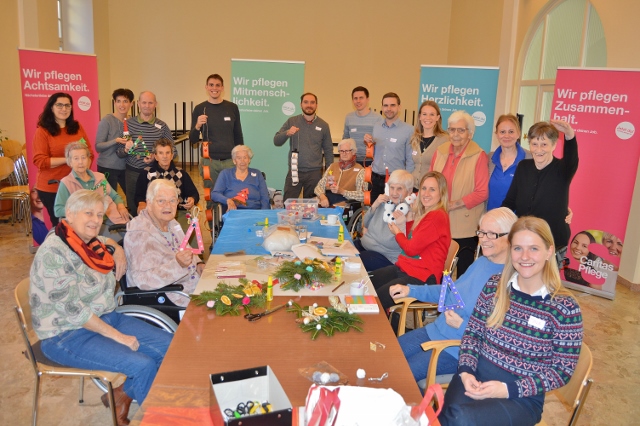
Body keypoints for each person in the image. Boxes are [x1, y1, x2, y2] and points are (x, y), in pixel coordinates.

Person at [29, 189, 172, 425]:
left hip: (104, 317)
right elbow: (75, 311)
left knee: (170, 347)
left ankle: (122, 395)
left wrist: (118, 249)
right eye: (88, 213)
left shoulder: (88, 242)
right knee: (143, 365)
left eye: (99, 214)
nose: (96, 220)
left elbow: (105, 241)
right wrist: (119, 337)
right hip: (66, 334)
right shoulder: (53, 253)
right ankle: (159, 420)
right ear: (69, 214)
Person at [439, 216, 583, 426]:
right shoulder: (494, 286)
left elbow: (562, 370)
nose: (525, 256)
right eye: (518, 248)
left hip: (521, 397)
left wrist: (507, 389)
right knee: (448, 417)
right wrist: (466, 371)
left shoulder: (564, 308)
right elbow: (473, 334)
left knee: (461, 419)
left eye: (534, 248)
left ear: (549, 251)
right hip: (476, 375)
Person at [382, 208, 518, 377]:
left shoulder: (512, 281)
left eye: (491, 234)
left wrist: (461, 326)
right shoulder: (481, 262)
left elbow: (501, 340)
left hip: (458, 349)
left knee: (398, 375)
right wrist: (411, 290)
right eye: (481, 232)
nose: (483, 239)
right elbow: (449, 292)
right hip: (436, 330)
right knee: (385, 355)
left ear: (511, 237)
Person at [502, 120, 578, 265]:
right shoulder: (523, 167)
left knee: (547, 279)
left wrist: (569, 134)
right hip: (524, 238)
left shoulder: (563, 169)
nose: (538, 149)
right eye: (534, 144)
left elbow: (572, 157)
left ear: (554, 145)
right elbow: (510, 201)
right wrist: (497, 220)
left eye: (544, 144)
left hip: (552, 241)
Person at [125, 179, 204, 307]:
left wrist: (199, 263)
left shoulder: (171, 223)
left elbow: (187, 249)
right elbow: (143, 280)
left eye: (172, 200)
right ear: (149, 203)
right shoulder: (140, 233)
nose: (168, 206)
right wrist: (177, 265)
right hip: (170, 297)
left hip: (192, 285)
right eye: (161, 201)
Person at [369, 171, 451, 292]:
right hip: (407, 268)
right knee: (367, 283)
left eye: (432, 190)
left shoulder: (436, 216)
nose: (426, 194)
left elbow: (410, 249)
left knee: (377, 296)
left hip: (423, 277)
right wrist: (409, 219)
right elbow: (412, 240)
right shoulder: (428, 213)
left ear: (441, 193)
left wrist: (397, 233)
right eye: (424, 188)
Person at [431, 110, 489, 277]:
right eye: (452, 129)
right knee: (438, 272)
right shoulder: (440, 151)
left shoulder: (479, 155)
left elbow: (482, 192)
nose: (455, 134)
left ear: (470, 133)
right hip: (439, 222)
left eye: (461, 130)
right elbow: (429, 181)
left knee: (463, 275)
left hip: (465, 226)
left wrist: (452, 204)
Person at [32, 92, 91, 226]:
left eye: (67, 105)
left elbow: (89, 153)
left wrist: (83, 167)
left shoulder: (77, 127)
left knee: (80, 224)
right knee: (62, 226)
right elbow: (40, 161)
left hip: (77, 185)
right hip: (52, 187)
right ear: (51, 107)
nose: (64, 109)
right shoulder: (42, 131)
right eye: (59, 105)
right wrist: (69, 159)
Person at [189, 74, 244, 213]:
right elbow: (193, 139)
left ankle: (229, 224)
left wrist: (240, 157)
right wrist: (197, 125)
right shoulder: (200, 109)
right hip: (210, 162)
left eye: (218, 85)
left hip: (230, 161)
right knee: (212, 197)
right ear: (206, 87)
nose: (214, 88)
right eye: (211, 85)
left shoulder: (232, 107)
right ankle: (213, 226)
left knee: (233, 195)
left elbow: (238, 135)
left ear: (222, 88)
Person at [116, 91, 175, 217]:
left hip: (155, 175)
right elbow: (119, 152)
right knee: (134, 209)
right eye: (144, 102)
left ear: (155, 104)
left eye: (150, 103)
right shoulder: (128, 124)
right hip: (133, 173)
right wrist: (126, 149)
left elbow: (173, 151)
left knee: (157, 209)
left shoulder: (162, 126)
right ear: (138, 103)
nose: (147, 106)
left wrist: (156, 157)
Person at [54, 142, 129, 229]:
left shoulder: (100, 177)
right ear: (70, 162)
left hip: (111, 220)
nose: (80, 162)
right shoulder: (66, 183)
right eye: (76, 158)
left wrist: (121, 206)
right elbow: (58, 210)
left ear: (89, 160)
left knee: (131, 233)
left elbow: (115, 196)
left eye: (83, 157)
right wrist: (81, 210)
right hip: (85, 226)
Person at [274, 93, 333, 200]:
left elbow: (328, 150)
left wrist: (329, 173)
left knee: (312, 205)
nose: (309, 105)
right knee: (288, 203)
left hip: (314, 174)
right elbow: (276, 141)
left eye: (312, 102)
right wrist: (287, 133)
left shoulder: (324, 125)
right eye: (306, 102)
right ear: (301, 104)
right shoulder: (292, 121)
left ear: (316, 105)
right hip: (294, 171)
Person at [134, 138, 199, 232]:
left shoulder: (181, 173)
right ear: (155, 156)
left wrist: (192, 199)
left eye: (167, 153)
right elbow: (138, 196)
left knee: (187, 235)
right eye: (161, 153)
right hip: (154, 215)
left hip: (177, 213)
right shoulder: (146, 173)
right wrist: (141, 203)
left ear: (172, 155)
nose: (165, 156)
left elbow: (194, 193)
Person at [354, 169, 413, 272]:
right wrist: (375, 205)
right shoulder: (385, 202)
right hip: (364, 246)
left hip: (385, 256)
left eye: (399, 189)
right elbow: (365, 224)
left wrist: (401, 224)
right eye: (392, 188)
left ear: (409, 191)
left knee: (353, 261)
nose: (394, 193)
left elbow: (405, 244)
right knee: (342, 252)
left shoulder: (408, 212)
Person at [366, 92, 414, 203]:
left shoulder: (409, 130)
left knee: (394, 212)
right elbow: (374, 152)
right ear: (382, 107)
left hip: (396, 183)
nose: (389, 109)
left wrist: (406, 183)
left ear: (399, 107)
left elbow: (410, 160)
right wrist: (368, 142)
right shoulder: (376, 127)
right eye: (386, 105)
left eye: (392, 105)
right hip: (375, 180)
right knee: (374, 211)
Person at [487, 114, 531, 210]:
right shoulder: (489, 159)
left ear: (518, 133)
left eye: (511, 132)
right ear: (497, 134)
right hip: (490, 216)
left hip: (518, 218)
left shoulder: (530, 158)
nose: (506, 136)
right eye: (502, 132)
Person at [95, 88, 134, 193]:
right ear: (114, 103)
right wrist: (115, 140)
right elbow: (98, 146)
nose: (122, 105)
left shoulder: (132, 121)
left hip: (126, 167)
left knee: (131, 196)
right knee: (108, 199)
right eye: (118, 101)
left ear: (131, 104)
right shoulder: (107, 120)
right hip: (107, 167)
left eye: (125, 101)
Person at [211, 145, 270, 212]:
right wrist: (227, 200)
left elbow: (265, 197)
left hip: (254, 212)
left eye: (245, 157)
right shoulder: (225, 174)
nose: (242, 161)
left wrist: (264, 213)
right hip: (233, 212)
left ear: (249, 160)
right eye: (239, 158)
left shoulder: (257, 174)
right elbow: (215, 194)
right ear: (234, 161)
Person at [315, 138, 366, 207]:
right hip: (326, 202)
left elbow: (363, 195)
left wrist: (343, 192)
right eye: (341, 151)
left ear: (353, 152)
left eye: (347, 151)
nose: (344, 154)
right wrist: (322, 196)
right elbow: (319, 187)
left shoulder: (360, 171)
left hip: (344, 205)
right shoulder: (332, 166)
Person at [410, 101, 448, 191]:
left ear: (437, 117)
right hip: (413, 188)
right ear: (420, 117)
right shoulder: (414, 138)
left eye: (432, 114)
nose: (428, 118)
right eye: (424, 114)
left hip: (431, 190)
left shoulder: (445, 140)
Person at [342, 86, 383, 166]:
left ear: (367, 99)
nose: (358, 101)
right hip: (352, 161)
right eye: (355, 98)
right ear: (352, 100)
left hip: (371, 162)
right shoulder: (349, 117)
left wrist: (373, 139)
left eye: (361, 98)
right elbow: (345, 139)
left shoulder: (378, 118)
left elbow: (382, 141)